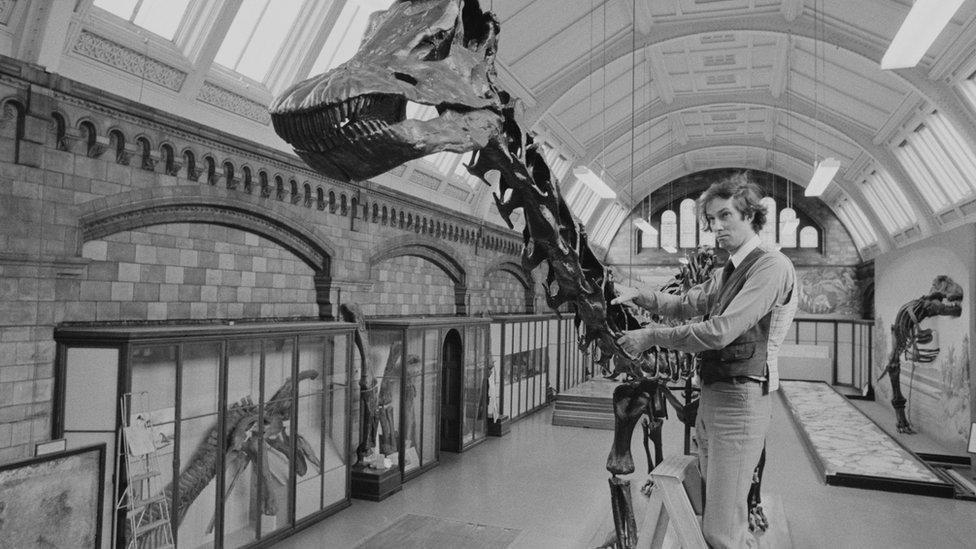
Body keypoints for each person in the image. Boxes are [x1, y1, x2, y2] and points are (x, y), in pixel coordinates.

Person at [612, 172, 797, 549]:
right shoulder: (725, 271)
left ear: (750, 215)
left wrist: (650, 336)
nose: (716, 227)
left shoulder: (771, 266)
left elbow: (719, 331)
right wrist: (639, 294)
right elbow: (683, 304)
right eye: (712, 219)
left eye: (726, 216)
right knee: (711, 509)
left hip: (741, 401)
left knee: (721, 531)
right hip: (713, 397)